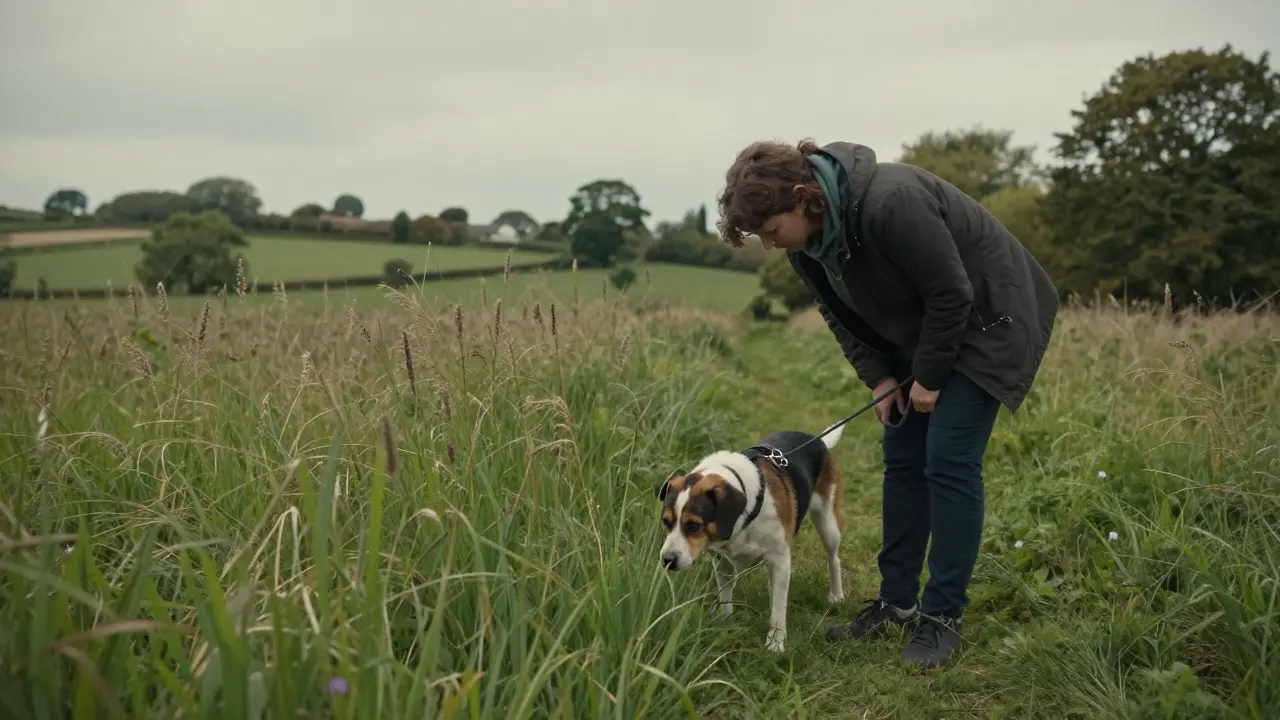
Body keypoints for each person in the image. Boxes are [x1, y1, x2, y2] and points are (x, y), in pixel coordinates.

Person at [715, 138, 1058, 669]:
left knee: (948, 458)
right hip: (925, 330)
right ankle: (897, 603)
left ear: (804, 198)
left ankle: (942, 617)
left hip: (990, 320)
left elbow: (952, 292)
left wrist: (930, 376)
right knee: (902, 455)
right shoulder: (806, 247)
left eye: (770, 229)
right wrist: (880, 378)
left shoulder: (892, 201)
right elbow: (840, 317)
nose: (769, 243)